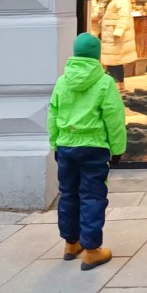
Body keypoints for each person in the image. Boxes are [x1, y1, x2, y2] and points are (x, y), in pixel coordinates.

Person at [47, 32, 127, 271]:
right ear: (96, 54)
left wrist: (55, 143)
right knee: (92, 196)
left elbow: (53, 114)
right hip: (94, 148)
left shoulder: (62, 81)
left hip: (66, 146)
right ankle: (92, 250)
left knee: (68, 194)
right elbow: (114, 117)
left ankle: (71, 243)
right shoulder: (105, 82)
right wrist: (117, 149)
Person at [100, 0, 137, 92]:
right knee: (115, 61)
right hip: (111, 34)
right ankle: (118, 85)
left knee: (114, 61)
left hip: (114, 35)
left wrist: (119, 30)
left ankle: (115, 86)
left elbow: (124, 15)